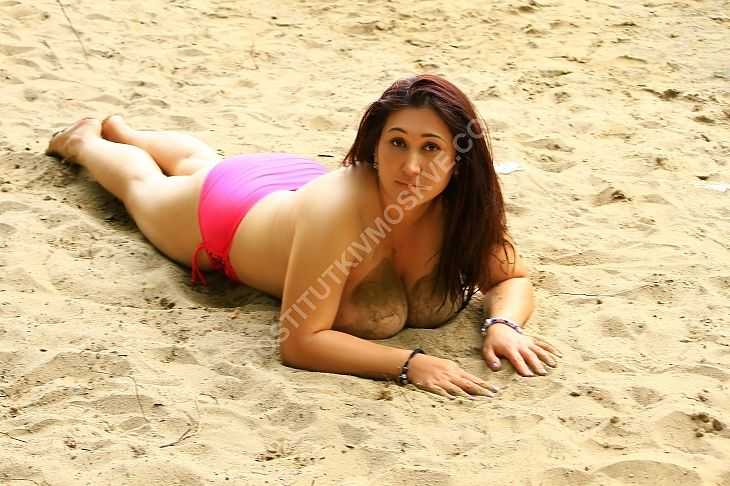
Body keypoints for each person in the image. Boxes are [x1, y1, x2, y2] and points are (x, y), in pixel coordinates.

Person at [45, 74, 561, 399]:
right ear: (374, 147)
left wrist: (504, 323)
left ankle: (131, 132)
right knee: (145, 187)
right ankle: (86, 141)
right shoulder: (337, 208)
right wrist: (410, 364)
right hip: (229, 212)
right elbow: (299, 342)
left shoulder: (460, 209)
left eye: (431, 148)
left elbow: (510, 277)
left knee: (202, 160)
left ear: (458, 159)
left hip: (292, 184)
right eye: (397, 143)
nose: (409, 167)